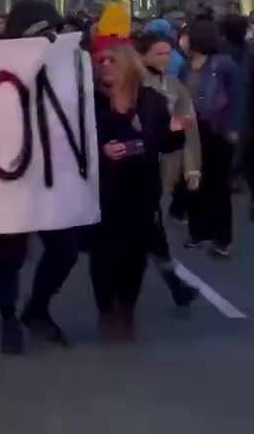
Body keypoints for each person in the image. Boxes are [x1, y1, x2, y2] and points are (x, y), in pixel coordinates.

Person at [0, 0, 80, 355]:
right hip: (10, 175)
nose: (53, 38)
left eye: (56, 31)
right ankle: (8, 317)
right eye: (45, 32)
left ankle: (37, 309)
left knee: (65, 250)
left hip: (56, 175)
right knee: (9, 253)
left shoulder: (70, 65)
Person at [92, 44, 172, 340]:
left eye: (113, 60)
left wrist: (135, 147)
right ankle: (106, 310)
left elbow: (162, 141)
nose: (106, 65)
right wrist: (102, 150)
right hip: (103, 189)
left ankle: (127, 308)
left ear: (129, 65)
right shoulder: (92, 102)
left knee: (134, 253)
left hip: (141, 186)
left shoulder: (151, 101)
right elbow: (77, 143)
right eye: (102, 61)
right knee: (103, 253)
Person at [136, 33, 203, 307]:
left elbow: (189, 131)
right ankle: (173, 285)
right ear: (142, 55)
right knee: (149, 228)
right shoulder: (132, 85)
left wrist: (192, 169)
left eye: (168, 52)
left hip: (166, 165)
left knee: (150, 227)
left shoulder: (176, 88)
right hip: (134, 167)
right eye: (159, 53)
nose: (165, 58)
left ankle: (173, 285)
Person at [183, 18, 240, 258]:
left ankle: (222, 239)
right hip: (191, 130)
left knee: (217, 186)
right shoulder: (186, 65)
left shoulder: (223, 64)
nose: (182, 40)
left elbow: (238, 97)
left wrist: (235, 128)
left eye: (186, 36)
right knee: (194, 182)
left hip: (217, 131)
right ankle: (198, 232)